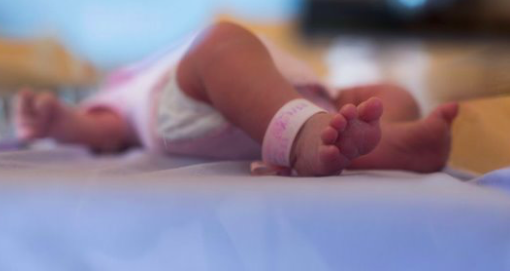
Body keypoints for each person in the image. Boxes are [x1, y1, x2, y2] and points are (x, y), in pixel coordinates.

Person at [13, 22, 458, 176]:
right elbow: (107, 130)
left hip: (301, 98)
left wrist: (336, 100)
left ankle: (371, 143)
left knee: (385, 95)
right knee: (218, 41)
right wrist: (63, 123)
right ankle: (302, 136)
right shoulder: (125, 85)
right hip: (203, 109)